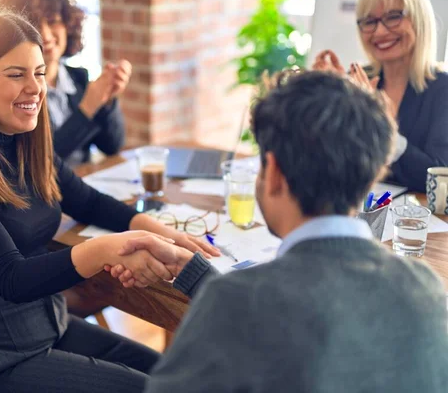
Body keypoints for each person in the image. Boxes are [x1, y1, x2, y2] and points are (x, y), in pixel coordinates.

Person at [0, 11, 219, 393]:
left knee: (172, 377)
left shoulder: (27, 145)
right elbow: (13, 278)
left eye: (39, 73)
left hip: (47, 324)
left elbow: (88, 201)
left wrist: (160, 231)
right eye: (16, 74)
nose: (35, 87)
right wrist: (106, 250)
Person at [108, 71, 448, 392]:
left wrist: (218, 293)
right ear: (371, 174)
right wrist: (194, 273)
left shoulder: (232, 301)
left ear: (273, 173)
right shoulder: (427, 290)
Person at [312, 0, 448, 192]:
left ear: (419, 19)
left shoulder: (443, 90)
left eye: (393, 16)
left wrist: (383, 128)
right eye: (369, 21)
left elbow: (440, 182)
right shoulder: (356, 80)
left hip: (415, 218)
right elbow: (326, 163)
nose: (380, 31)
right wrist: (329, 99)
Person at [0, 0, 130, 165]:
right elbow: (39, 162)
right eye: (33, 24)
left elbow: (112, 145)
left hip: (83, 184)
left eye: (52, 21)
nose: (46, 35)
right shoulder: (17, 92)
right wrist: (87, 108)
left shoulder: (79, 78)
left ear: (68, 25)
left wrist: (107, 101)